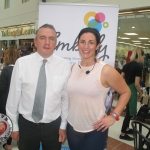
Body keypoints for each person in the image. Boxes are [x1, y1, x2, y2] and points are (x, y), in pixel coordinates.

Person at [6, 24, 70, 150]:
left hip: (53, 125)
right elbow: (13, 97)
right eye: (42, 38)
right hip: (27, 125)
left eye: (51, 39)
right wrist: (14, 125)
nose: (47, 42)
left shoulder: (64, 65)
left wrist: (63, 125)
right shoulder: (22, 63)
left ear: (56, 43)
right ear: (35, 41)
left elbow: (65, 98)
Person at [66, 27, 131, 150]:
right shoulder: (73, 67)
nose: (86, 46)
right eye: (82, 42)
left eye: (91, 42)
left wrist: (114, 116)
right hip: (71, 127)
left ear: (97, 46)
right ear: (77, 44)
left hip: (94, 131)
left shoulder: (105, 70)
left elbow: (126, 92)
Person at [119, 47, 144, 141]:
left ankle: (126, 128)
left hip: (126, 89)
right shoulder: (138, 66)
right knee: (129, 113)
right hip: (132, 90)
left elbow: (120, 78)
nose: (143, 58)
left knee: (129, 111)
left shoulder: (127, 65)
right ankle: (122, 133)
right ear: (140, 56)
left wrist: (124, 87)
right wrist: (140, 93)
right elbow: (137, 83)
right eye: (143, 56)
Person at [0, 46, 20, 150]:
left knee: (6, 123)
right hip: (18, 102)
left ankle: (8, 145)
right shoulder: (20, 68)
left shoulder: (6, 70)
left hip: (5, 101)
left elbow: (1, 88)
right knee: (14, 122)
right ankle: (11, 144)